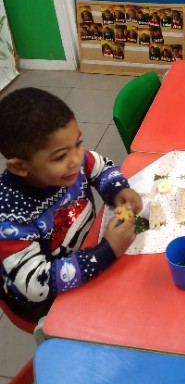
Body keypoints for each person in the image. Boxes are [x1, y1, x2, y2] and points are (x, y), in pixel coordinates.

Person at [0, 87, 143, 320]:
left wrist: (118, 190)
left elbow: (100, 167)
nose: (76, 160)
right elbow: (35, 285)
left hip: (88, 251)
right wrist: (106, 252)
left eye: (78, 143)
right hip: (46, 301)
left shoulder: (71, 163)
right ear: (20, 167)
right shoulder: (9, 218)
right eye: (60, 156)